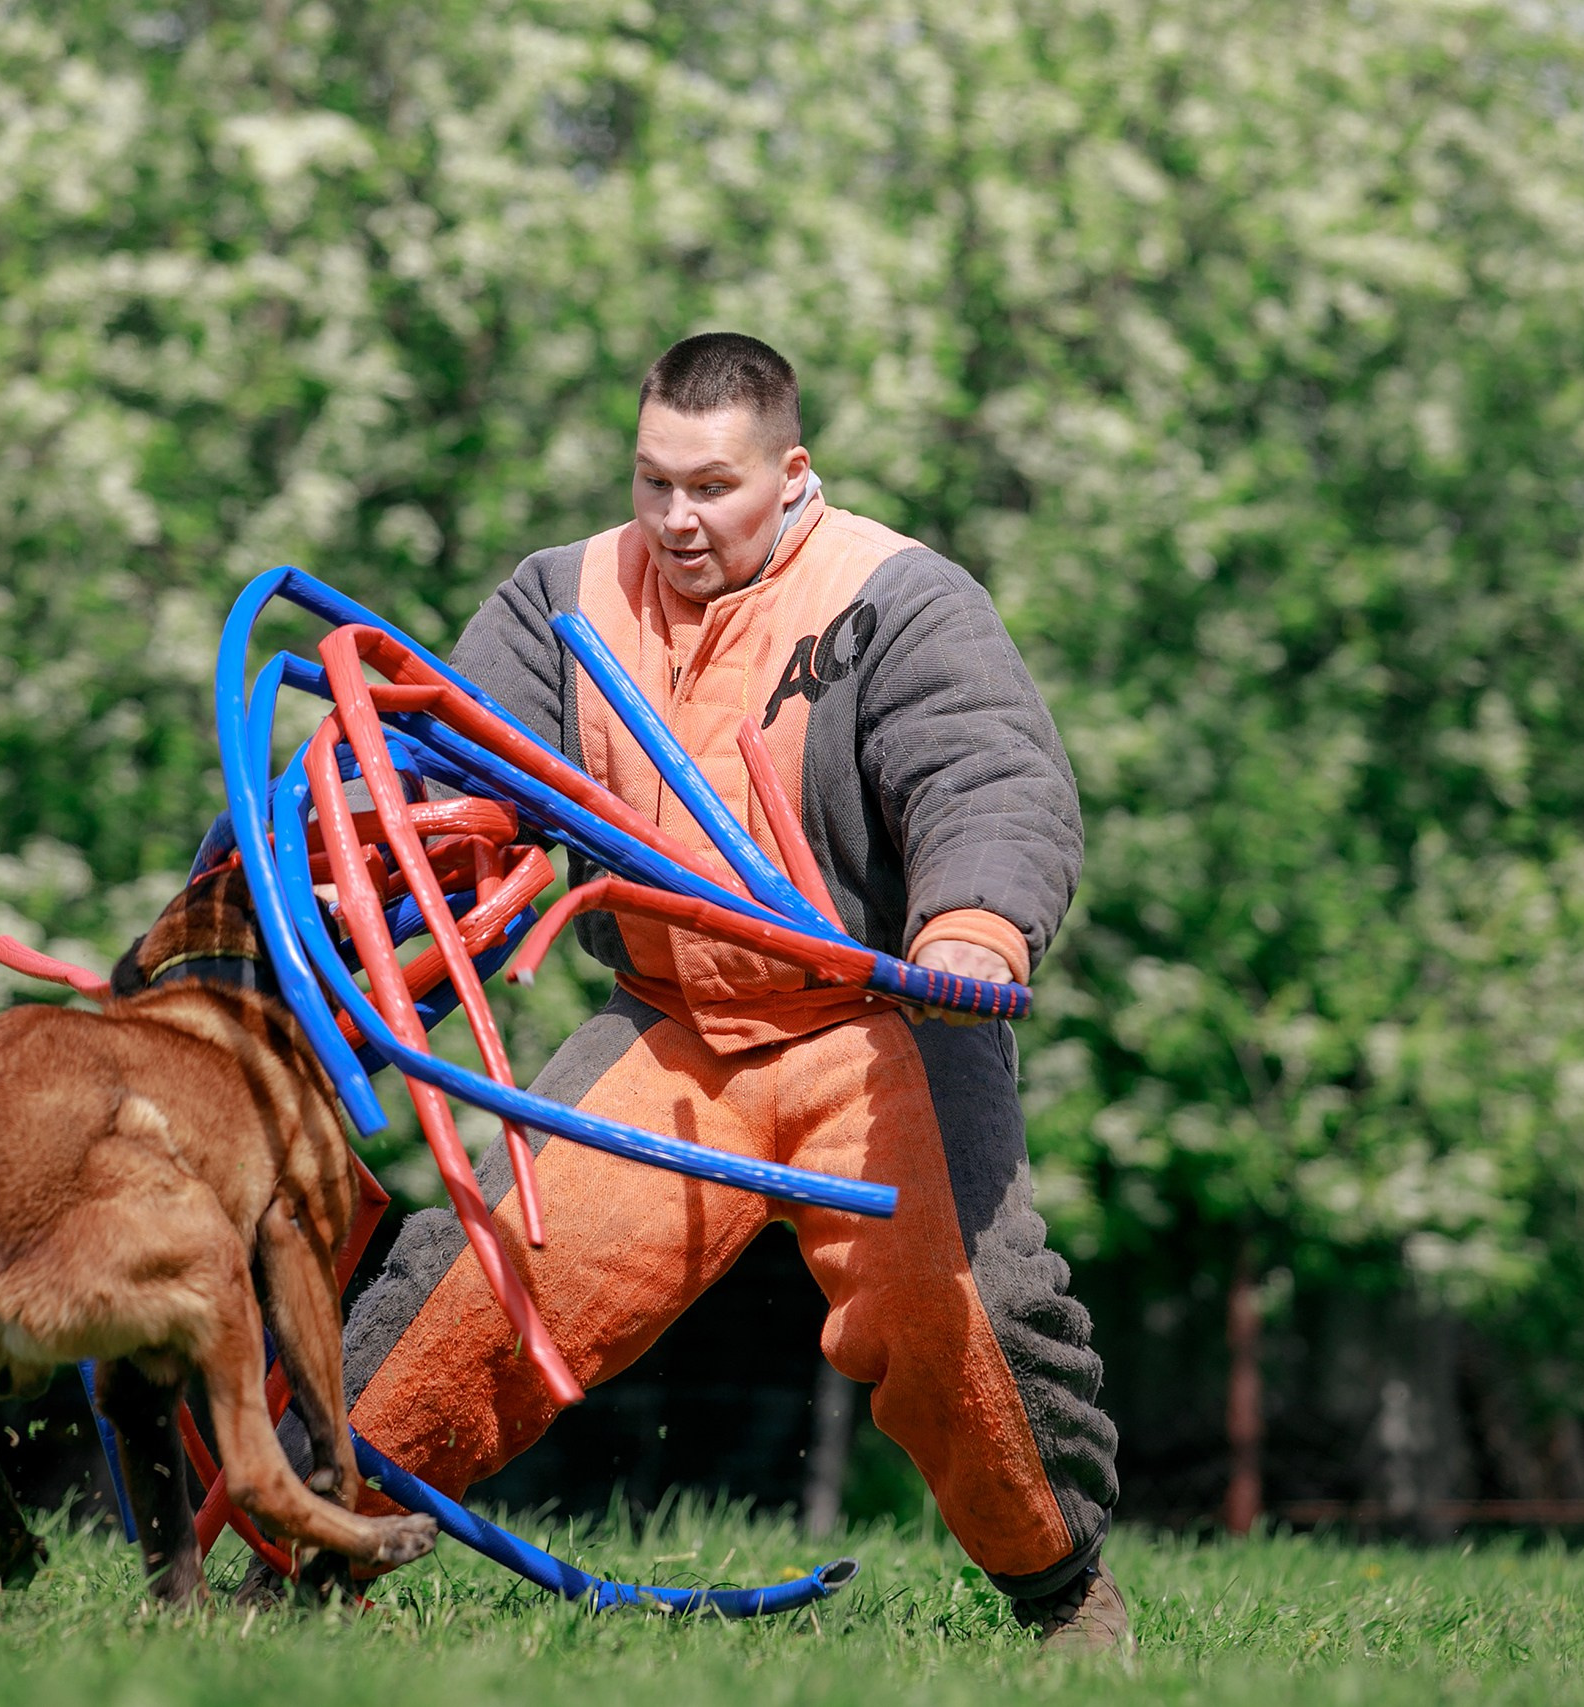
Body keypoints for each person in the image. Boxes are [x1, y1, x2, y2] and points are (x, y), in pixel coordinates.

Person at [292, 332, 1129, 1650]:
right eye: (653, 483)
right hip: (672, 1031)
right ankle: (291, 1558)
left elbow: (990, 779)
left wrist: (975, 927)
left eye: (713, 487)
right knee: (473, 1284)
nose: (677, 519)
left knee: (966, 1316)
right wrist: (359, 869)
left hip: (883, 1027)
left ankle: (1066, 1599)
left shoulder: (895, 596)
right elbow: (436, 782)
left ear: (791, 475)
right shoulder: (558, 600)